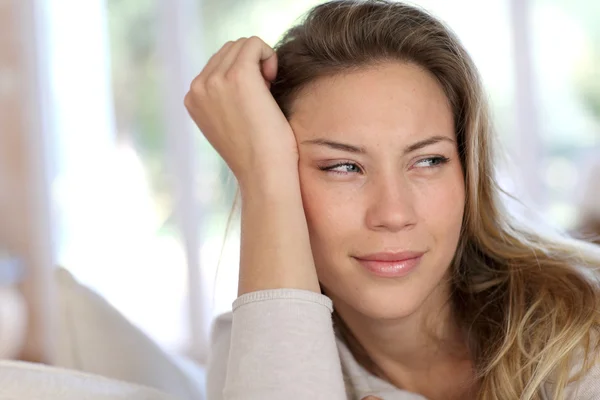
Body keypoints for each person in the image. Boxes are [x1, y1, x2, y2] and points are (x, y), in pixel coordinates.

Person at [184, 1, 600, 399]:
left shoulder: (583, 322)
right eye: (343, 167)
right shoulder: (258, 343)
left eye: (428, 160)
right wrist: (261, 174)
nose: (394, 214)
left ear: (467, 172)